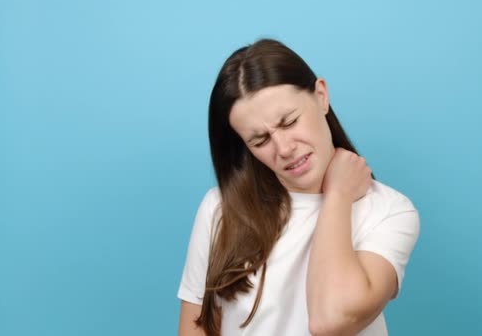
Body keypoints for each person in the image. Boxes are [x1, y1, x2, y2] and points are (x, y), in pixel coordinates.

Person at [177, 38, 420, 336]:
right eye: (260, 140)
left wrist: (337, 196)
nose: (284, 148)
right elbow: (197, 326)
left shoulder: (389, 211)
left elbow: (330, 321)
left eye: (289, 122)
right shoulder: (220, 208)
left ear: (321, 96)